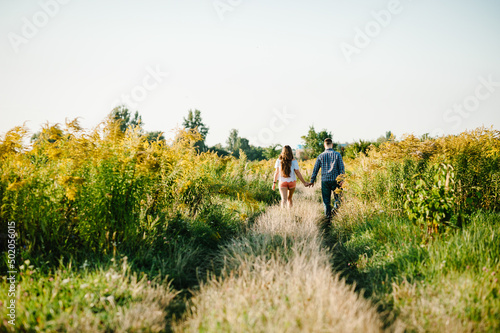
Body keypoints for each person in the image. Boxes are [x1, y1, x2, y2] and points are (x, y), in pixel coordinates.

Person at [308, 138, 345, 220]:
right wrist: (342, 179)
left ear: (324, 145)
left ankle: (328, 219)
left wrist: (312, 181)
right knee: (338, 200)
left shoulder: (320, 156)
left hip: (325, 181)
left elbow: (315, 169)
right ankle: (334, 213)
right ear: (332, 145)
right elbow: (341, 168)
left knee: (326, 202)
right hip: (336, 181)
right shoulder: (337, 155)